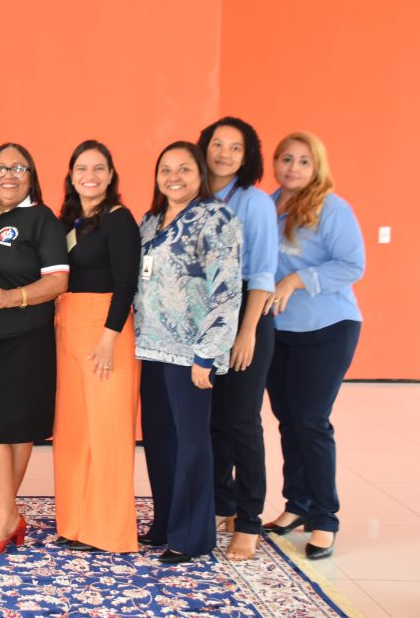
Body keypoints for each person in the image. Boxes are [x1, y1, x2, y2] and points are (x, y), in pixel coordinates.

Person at [134, 141, 242, 564]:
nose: (174, 177)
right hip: (150, 349)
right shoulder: (150, 221)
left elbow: (227, 289)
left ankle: (192, 536)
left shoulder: (216, 218)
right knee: (160, 442)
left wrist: (207, 354)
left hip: (191, 354)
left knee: (191, 445)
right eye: (166, 169)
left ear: (200, 174)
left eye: (184, 169)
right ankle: (165, 522)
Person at [0, 143, 68, 555]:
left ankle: (4, 515)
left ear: (31, 176)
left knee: (19, 428)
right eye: (0, 168)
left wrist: (11, 298)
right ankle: (8, 513)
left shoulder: (42, 219)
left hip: (28, 339)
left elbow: (57, 281)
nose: (8, 175)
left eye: (18, 168)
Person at [262, 132, 364, 561]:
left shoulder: (332, 209)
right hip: (279, 329)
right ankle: (297, 504)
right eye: (286, 159)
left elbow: (352, 265)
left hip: (328, 328)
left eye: (304, 161)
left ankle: (325, 517)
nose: (293, 168)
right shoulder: (267, 206)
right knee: (288, 420)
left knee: (310, 420)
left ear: (317, 166)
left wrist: (295, 279)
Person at [53, 140, 141, 554]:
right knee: (75, 432)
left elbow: (126, 284)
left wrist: (110, 337)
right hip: (69, 329)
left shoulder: (119, 220)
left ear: (110, 175)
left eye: (99, 168)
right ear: (71, 176)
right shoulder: (71, 222)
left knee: (107, 433)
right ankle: (75, 522)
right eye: (82, 168)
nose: (90, 175)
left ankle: (107, 531)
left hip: (105, 334)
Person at [196, 117, 279, 561]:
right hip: (204, 311)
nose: (224, 154)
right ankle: (221, 503)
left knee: (242, 420)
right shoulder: (194, 196)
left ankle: (249, 520)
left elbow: (262, 272)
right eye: (217, 144)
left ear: (247, 157)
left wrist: (246, 332)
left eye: (235, 147)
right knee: (213, 419)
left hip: (247, 312)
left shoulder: (255, 202)